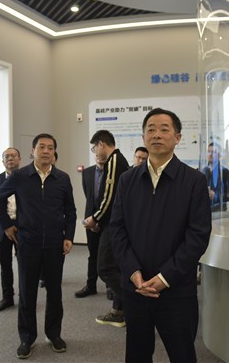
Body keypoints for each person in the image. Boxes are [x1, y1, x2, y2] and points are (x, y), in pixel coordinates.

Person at [109, 108, 212, 362]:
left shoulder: (194, 180)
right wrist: (133, 272)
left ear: (177, 138)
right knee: (137, 353)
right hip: (136, 287)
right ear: (143, 137)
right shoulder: (127, 180)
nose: (157, 134)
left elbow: (198, 235)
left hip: (176, 289)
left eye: (164, 129)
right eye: (151, 129)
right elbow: (117, 229)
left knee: (182, 353)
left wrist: (165, 277)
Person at [0, 133, 76, 359]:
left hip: (54, 244)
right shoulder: (20, 176)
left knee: (55, 292)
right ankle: (27, 338)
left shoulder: (62, 178)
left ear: (54, 152)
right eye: (42, 147)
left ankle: (54, 334)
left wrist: (69, 236)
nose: (46, 151)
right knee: (27, 292)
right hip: (27, 243)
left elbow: (70, 210)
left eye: (50, 147)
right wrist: (7, 225)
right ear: (33, 151)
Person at [83, 130, 130, 327]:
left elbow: (109, 197)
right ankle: (119, 312)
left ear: (101, 144)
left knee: (105, 268)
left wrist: (95, 219)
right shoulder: (118, 160)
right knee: (116, 268)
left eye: (95, 148)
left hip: (114, 225)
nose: (95, 152)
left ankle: (136, 304)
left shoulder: (114, 161)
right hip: (113, 222)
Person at [0, 147, 21, 312]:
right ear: (2, 161)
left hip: (23, 227)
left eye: (13, 156)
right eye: (6, 156)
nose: (10, 159)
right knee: (5, 266)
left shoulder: (26, 178)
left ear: (19, 159)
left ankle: (25, 297)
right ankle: (7, 297)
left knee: (25, 265)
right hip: (2, 227)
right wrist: (5, 225)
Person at [74, 153, 107, 298]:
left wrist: (99, 219)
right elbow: (89, 197)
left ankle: (110, 287)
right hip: (90, 219)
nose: (99, 156)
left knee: (108, 256)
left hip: (107, 221)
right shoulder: (87, 172)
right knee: (92, 254)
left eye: (102, 155)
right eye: (97, 154)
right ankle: (91, 285)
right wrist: (92, 220)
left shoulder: (112, 172)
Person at [202, 142, 229, 211]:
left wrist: (215, 196)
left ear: (219, 155)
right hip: (204, 210)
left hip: (220, 211)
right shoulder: (202, 172)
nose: (210, 154)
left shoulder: (225, 172)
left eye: (213, 152)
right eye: (208, 152)